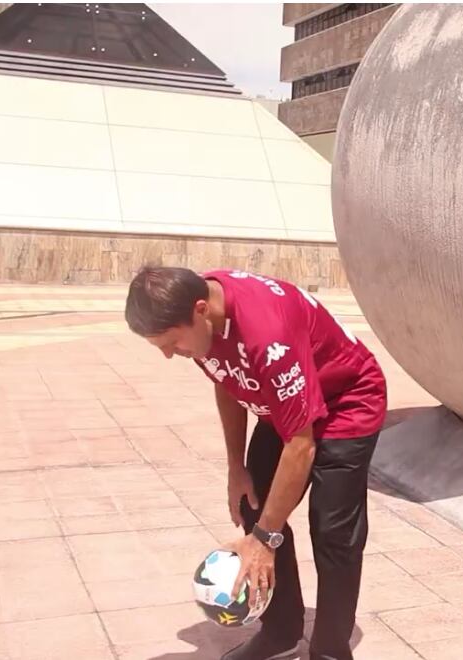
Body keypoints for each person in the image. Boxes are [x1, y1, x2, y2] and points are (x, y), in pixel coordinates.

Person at [124, 266, 387, 660]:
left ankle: (331, 649)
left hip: (346, 400)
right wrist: (236, 467)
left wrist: (265, 540)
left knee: (332, 529)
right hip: (283, 403)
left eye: (172, 342)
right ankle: (281, 631)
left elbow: (301, 446)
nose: (168, 354)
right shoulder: (198, 313)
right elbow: (227, 378)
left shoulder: (266, 331)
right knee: (254, 502)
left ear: (200, 310)